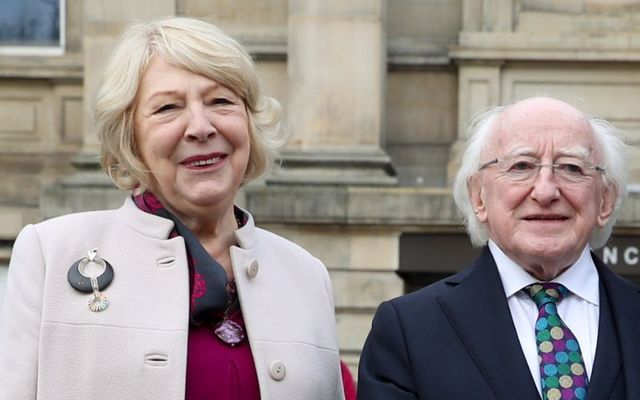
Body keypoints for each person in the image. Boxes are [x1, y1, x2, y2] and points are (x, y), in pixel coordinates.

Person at [0, 17, 345, 400]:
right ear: (130, 136)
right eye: (168, 107)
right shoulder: (52, 254)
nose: (200, 127)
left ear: (249, 122)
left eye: (221, 101)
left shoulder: (307, 276)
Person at [357, 96, 640, 399]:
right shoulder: (408, 331)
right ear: (479, 197)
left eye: (571, 167)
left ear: (606, 200)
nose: (545, 191)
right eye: (521, 166)